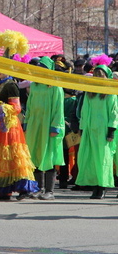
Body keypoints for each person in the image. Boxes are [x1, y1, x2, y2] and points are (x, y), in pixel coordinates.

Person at [0, 70, 38, 200]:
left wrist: (2, 108)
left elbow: (16, 107)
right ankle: (3, 190)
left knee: (15, 155)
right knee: (2, 157)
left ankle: (24, 188)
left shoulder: (11, 85)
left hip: (10, 126)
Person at [22, 56, 65, 200]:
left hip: (49, 125)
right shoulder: (34, 85)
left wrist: (55, 127)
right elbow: (29, 106)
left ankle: (50, 191)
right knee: (35, 154)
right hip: (35, 125)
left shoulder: (55, 86)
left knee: (48, 155)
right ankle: (38, 188)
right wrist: (27, 123)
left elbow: (59, 108)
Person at [75, 63, 117, 200]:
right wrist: (82, 128)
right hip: (90, 130)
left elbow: (114, 112)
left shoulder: (110, 92)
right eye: (95, 75)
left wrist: (111, 131)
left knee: (103, 159)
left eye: (100, 75)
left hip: (104, 131)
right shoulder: (90, 92)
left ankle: (102, 187)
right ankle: (95, 187)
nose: (97, 77)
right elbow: (84, 111)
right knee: (91, 159)